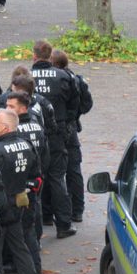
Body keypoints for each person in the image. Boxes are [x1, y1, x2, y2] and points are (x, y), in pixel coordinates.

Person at [0, 109, 43, 274]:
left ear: (6, 127)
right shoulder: (27, 145)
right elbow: (36, 176)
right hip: (18, 204)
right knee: (20, 249)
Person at [31, 40, 79, 238]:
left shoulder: (25, 77)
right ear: (50, 56)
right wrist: (66, 124)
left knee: (35, 176)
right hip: (57, 132)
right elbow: (75, 103)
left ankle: (43, 218)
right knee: (57, 177)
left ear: (34, 56)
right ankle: (63, 224)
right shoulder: (64, 76)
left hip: (33, 132)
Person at [6, 92, 46, 274]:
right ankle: (31, 269)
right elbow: (45, 156)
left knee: (25, 232)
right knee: (29, 229)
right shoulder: (37, 125)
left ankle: (31, 270)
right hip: (32, 184)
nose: (7, 109)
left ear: (23, 108)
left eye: (11, 106)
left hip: (21, 189)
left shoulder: (14, 133)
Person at [51, 49, 92, 223]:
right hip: (71, 128)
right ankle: (77, 210)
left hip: (59, 129)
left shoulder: (59, 80)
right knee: (73, 169)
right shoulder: (76, 79)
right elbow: (87, 104)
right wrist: (75, 116)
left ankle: (60, 210)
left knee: (58, 170)